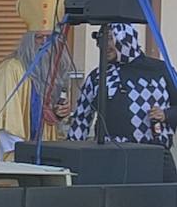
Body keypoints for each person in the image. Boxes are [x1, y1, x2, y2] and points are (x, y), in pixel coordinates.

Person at [67, 22, 177, 181]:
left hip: (155, 155)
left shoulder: (160, 70)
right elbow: (81, 119)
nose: (105, 45)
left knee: (166, 203)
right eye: (102, 39)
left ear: (126, 38)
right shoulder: (98, 76)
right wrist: (72, 160)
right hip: (110, 159)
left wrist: (166, 114)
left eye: (111, 38)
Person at [0, 0, 76, 160]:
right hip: (19, 151)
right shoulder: (11, 69)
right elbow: (5, 122)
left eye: (50, 38)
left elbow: (52, 116)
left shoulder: (54, 69)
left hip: (48, 148)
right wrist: (21, 155)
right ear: (29, 40)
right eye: (40, 38)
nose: (45, 43)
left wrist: (60, 113)